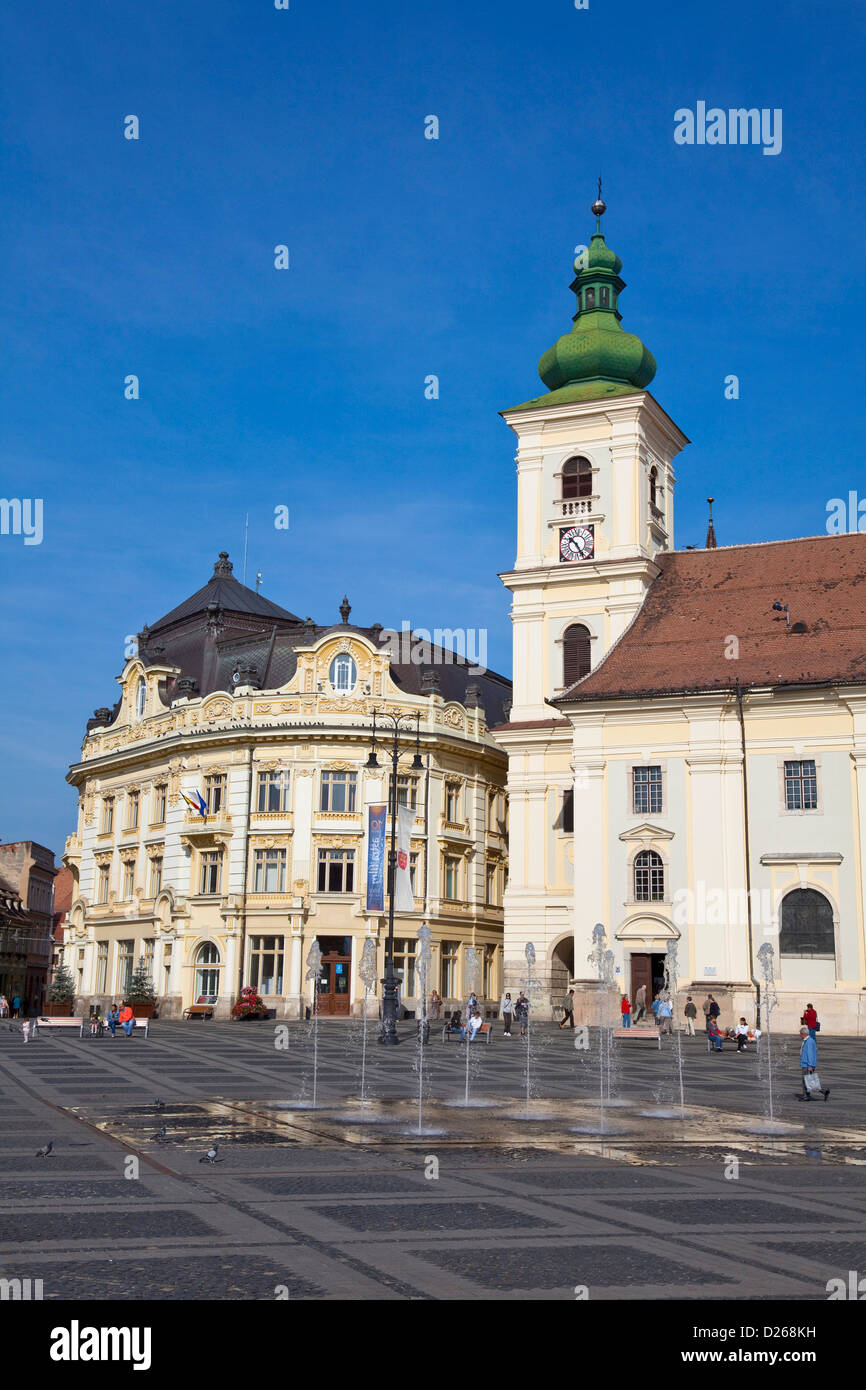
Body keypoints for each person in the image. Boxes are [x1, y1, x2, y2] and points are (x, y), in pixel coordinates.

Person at [798, 1024, 830, 1102]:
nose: (800, 1036)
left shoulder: (808, 1042)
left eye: (800, 1034)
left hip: (807, 1064)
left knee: (805, 1080)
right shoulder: (809, 1040)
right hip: (807, 1063)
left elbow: (810, 1054)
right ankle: (823, 1091)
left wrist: (810, 1065)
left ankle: (806, 1096)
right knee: (810, 1081)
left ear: (803, 1034)